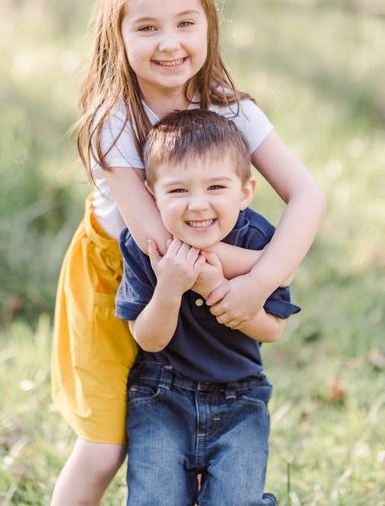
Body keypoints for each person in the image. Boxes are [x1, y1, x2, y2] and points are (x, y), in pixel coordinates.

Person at [50, 0, 326, 506]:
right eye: (147, 28)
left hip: (203, 284)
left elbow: (307, 195)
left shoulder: (231, 110)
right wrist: (255, 268)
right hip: (114, 279)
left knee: (190, 428)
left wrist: (258, 285)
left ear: (209, 26)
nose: (169, 43)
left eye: (185, 23)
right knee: (106, 446)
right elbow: (157, 240)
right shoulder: (116, 121)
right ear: (117, 38)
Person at [116, 108, 301, 506]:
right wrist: (169, 287)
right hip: (161, 392)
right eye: (178, 191)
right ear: (152, 194)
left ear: (245, 191)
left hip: (240, 396)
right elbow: (147, 339)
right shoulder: (144, 246)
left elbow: (273, 329)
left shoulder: (259, 240)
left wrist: (220, 289)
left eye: (216, 187)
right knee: (155, 499)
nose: (198, 205)